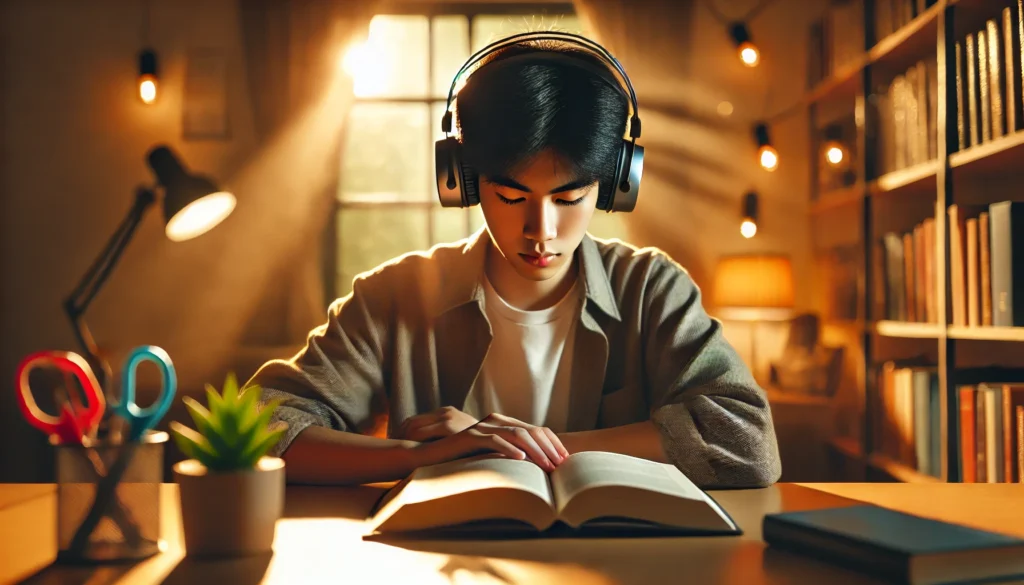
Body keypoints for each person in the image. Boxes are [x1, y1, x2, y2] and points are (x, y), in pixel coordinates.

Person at [247, 32, 781, 488]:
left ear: (616, 183)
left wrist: (529, 449)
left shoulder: (651, 288)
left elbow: (748, 442)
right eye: (510, 197)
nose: (541, 232)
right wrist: (419, 457)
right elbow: (257, 428)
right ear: (464, 182)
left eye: (570, 199)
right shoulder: (395, 294)